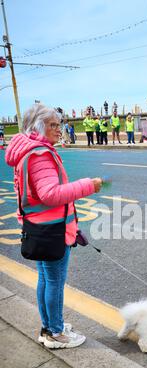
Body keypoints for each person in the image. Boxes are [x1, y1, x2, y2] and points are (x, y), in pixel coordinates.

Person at [5, 104, 105, 348]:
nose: (58, 130)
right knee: (54, 282)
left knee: (46, 279)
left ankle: (48, 326)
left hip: (39, 227)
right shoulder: (40, 154)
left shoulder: (27, 151)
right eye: (53, 125)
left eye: (58, 125)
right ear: (38, 127)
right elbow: (50, 194)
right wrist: (88, 185)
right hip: (52, 230)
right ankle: (56, 333)